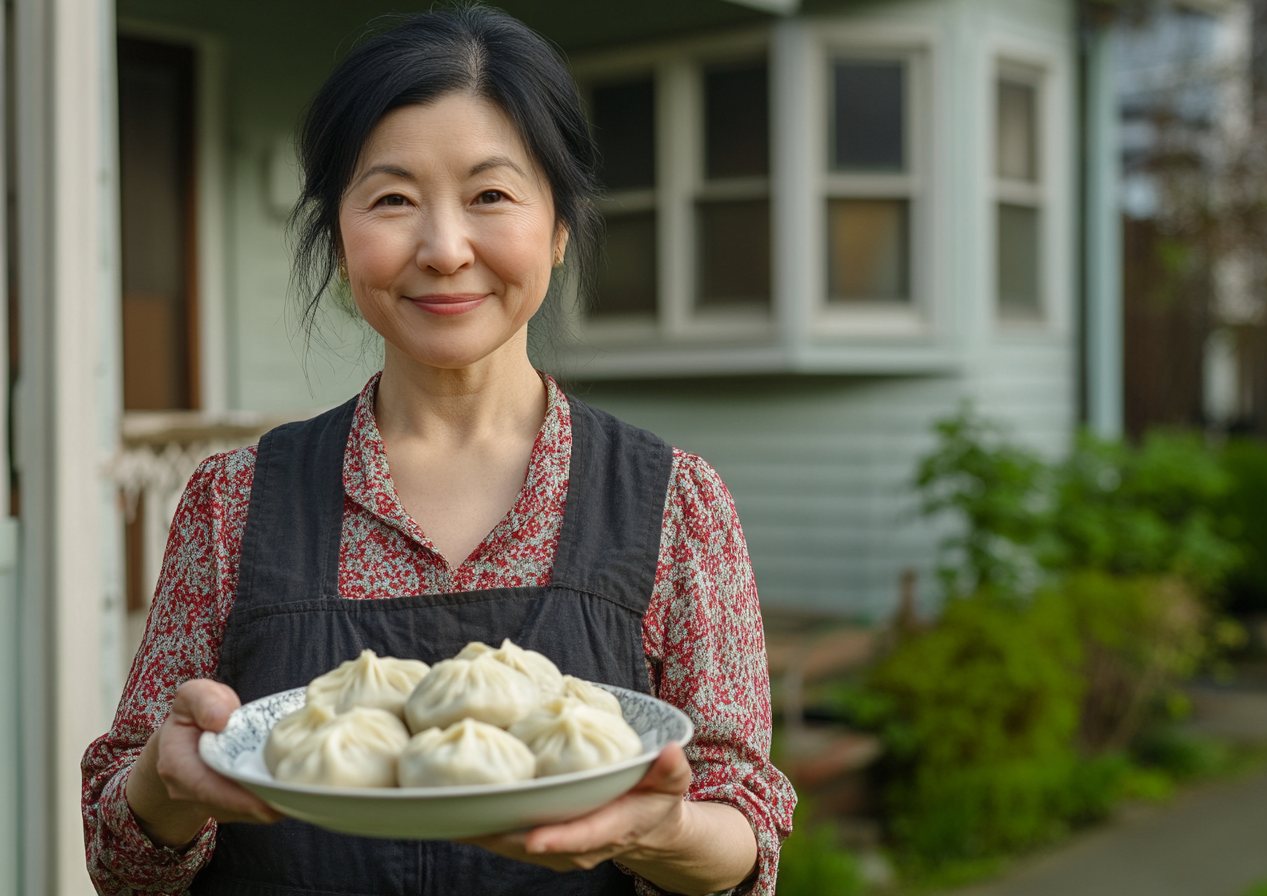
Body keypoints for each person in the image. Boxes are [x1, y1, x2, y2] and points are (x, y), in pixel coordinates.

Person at [81, 6, 795, 896]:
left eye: (491, 195)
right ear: (340, 236)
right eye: (392, 199)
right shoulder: (233, 503)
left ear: (560, 226)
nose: (445, 248)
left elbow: (746, 832)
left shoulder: (676, 503)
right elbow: (119, 859)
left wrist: (664, 830)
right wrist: (166, 785)